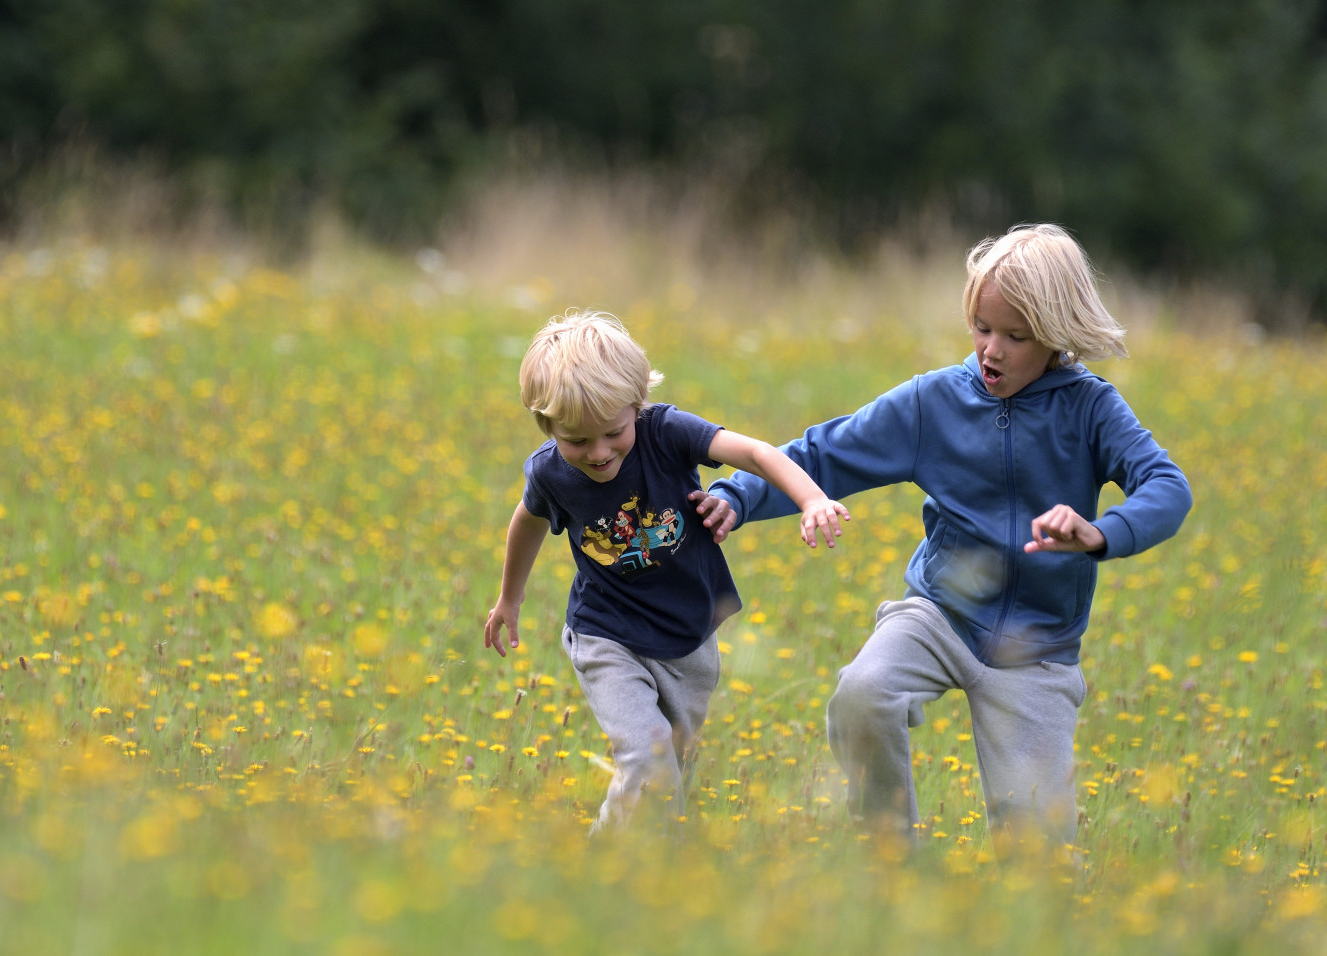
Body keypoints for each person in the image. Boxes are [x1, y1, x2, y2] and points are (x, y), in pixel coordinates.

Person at [694, 224, 1191, 859]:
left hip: (1037, 649)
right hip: (939, 613)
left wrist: (1100, 534)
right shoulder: (934, 402)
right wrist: (737, 495)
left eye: (1016, 336)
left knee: (1038, 860)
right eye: (981, 328)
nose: (992, 349)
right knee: (862, 695)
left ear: (1056, 334)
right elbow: (824, 454)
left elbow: (1167, 486)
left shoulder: (1091, 409)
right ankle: (888, 859)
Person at [485, 310, 851, 831]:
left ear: (637, 406)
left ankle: (644, 863)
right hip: (605, 632)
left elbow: (753, 452)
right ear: (547, 426)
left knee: (669, 770)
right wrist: (510, 598)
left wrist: (811, 498)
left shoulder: (665, 432)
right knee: (649, 757)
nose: (598, 452)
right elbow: (527, 522)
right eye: (576, 441)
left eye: (613, 432)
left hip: (688, 634)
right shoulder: (550, 472)